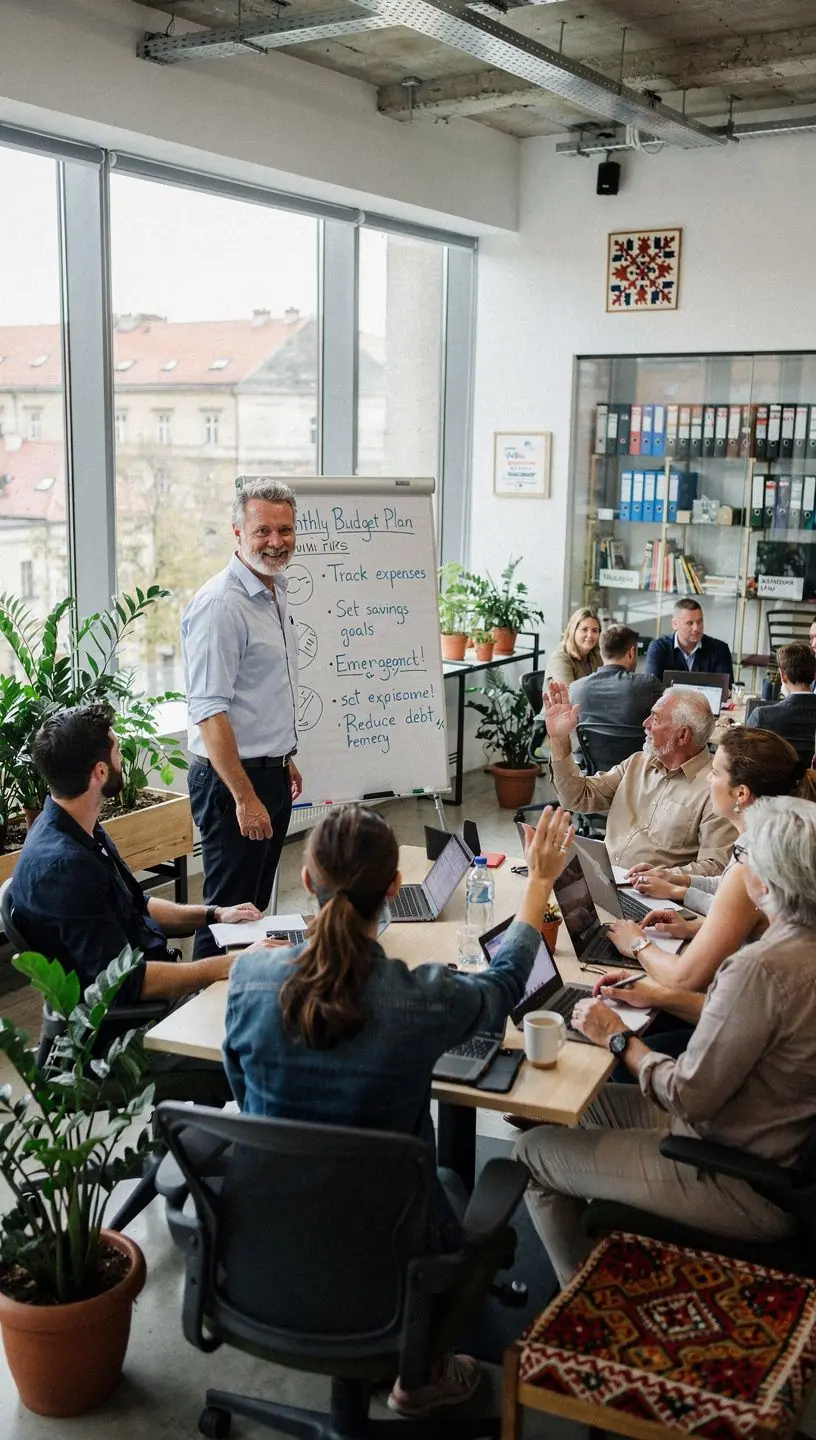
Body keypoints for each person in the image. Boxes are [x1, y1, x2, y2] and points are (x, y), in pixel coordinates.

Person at [224, 802, 576, 1416]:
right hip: (389, 1245)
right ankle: (419, 1377)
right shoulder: (419, 1001)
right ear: (393, 888)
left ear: (306, 881)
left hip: (268, 1233)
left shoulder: (249, 978)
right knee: (446, 1184)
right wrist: (539, 882)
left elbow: (244, 1095)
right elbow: (497, 991)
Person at [513, 796, 816, 1288]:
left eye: (742, 857)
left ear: (765, 880)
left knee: (531, 1151)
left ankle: (586, 1307)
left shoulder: (761, 968)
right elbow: (746, 1029)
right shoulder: (793, 954)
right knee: (576, 1104)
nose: (737, 866)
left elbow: (688, 1095)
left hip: (737, 1176)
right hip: (763, 1138)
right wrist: (659, 995)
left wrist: (616, 1039)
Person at [11, 705, 267, 1097]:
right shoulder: (64, 867)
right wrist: (227, 965)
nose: (120, 757)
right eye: (115, 750)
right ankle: (191, 1144)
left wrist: (214, 914)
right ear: (99, 772)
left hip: (134, 1008)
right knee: (258, 1051)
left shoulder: (78, 828)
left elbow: (137, 905)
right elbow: (128, 982)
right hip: (111, 1041)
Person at [597, 729, 805, 1022]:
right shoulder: (780, 838)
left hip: (754, 1019)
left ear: (741, 794)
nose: (708, 778)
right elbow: (747, 910)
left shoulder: (753, 862)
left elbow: (683, 980)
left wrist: (637, 943)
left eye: (715, 773)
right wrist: (680, 887)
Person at [181, 476, 303, 958]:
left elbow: (263, 691)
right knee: (228, 915)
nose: (275, 542)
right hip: (233, 785)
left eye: (285, 530)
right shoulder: (220, 605)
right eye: (262, 531)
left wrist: (280, 757)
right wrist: (245, 796)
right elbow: (210, 713)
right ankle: (199, 1020)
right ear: (237, 531)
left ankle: (241, 1005)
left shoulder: (276, 591)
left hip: (265, 774)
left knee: (254, 910)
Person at [543, 681, 736, 874]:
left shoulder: (715, 787)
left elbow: (716, 867)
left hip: (656, 897)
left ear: (682, 735)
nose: (645, 724)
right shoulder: (637, 763)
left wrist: (663, 876)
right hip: (604, 878)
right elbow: (577, 797)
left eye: (656, 719)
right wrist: (560, 739)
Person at [569, 624, 663, 729]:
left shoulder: (575, 688)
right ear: (631, 653)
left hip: (590, 746)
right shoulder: (649, 685)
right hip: (634, 746)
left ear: (601, 652)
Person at [746, 643, 816, 771]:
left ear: (783, 676)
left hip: (772, 787)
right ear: (814, 675)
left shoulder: (762, 716)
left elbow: (743, 757)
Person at [645, 598, 734, 688]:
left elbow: (726, 691)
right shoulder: (659, 648)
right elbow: (652, 689)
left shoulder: (720, 649)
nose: (696, 628)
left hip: (707, 702)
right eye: (690, 623)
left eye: (699, 622)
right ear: (675, 624)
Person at [544, 608, 601, 689]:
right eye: (584, 629)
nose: (590, 635)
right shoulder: (560, 658)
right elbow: (570, 696)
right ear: (573, 631)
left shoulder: (596, 656)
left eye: (595, 631)